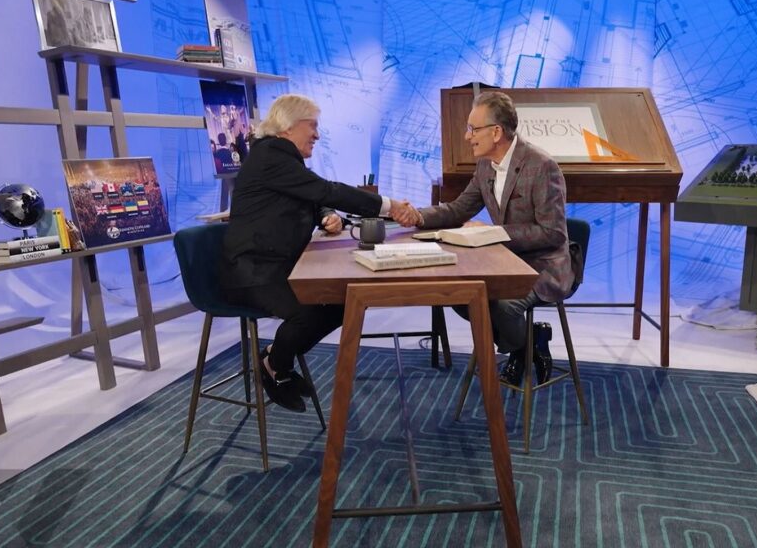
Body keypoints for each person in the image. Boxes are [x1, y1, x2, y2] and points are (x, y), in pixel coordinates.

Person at [221, 94, 415, 412]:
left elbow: (312, 196)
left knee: (341, 301)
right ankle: (275, 366)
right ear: (287, 127)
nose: (317, 134)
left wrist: (327, 214)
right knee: (312, 309)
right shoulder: (270, 155)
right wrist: (389, 206)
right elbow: (325, 189)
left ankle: (276, 358)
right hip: (252, 273)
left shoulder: (279, 158)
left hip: (276, 265)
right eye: (311, 126)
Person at [397, 91, 573, 386]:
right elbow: (458, 209)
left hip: (542, 264)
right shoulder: (485, 166)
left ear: (496, 132)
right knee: (459, 295)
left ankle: (520, 350)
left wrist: (493, 233)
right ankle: (529, 342)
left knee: (503, 306)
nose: (467, 136)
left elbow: (553, 232)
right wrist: (417, 216)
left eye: (473, 129)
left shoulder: (542, 166)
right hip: (504, 261)